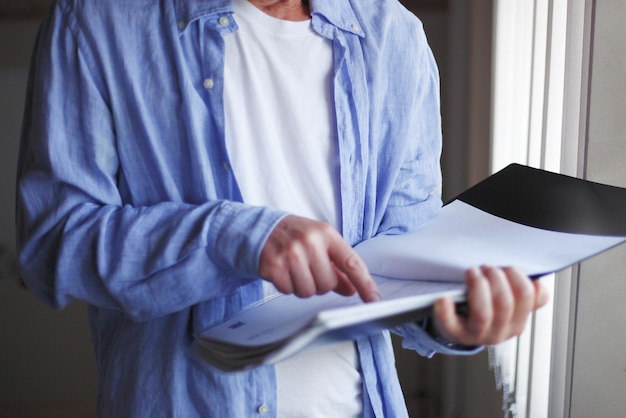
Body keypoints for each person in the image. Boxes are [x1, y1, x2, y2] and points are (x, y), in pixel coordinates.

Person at [16, 0, 548, 416]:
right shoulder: (97, 21)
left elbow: (401, 258)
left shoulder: (394, 34)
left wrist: (456, 316)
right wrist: (233, 238)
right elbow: (54, 243)